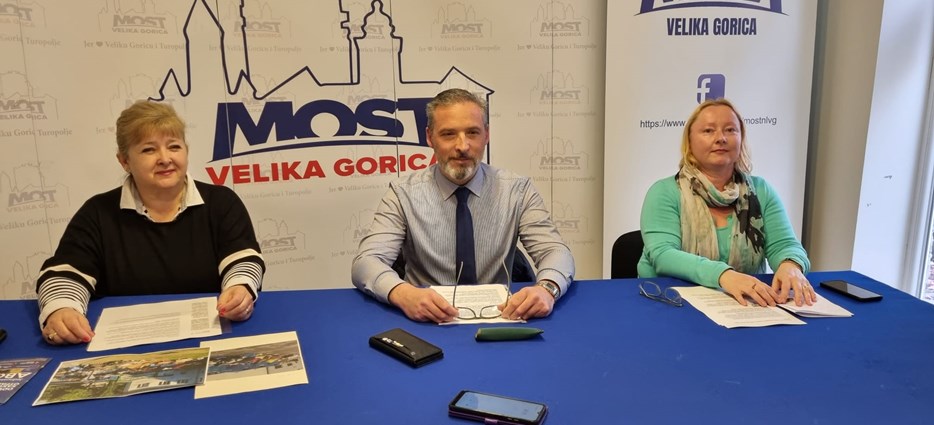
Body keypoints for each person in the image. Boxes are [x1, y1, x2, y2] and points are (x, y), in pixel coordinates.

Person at [36, 100, 265, 345]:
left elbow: (242, 258)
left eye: (174, 147)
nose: (165, 159)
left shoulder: (221, 202)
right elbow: (66, 273)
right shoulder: (98, 212)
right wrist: (62, 310)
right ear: (124, 161)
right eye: (149, 150)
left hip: (211, 337)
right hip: (125, 347)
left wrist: (240, 288)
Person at [351, 88, 575, 323]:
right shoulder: (402, 193)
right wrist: (403, 294)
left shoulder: (518, 191)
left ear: (486, 135)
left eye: (472, 133)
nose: (463, 146)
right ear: (430, 138)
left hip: (500, 317)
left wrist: (547, 288)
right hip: (427, 322)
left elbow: (555, 251)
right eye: (448, 134)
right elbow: (367, 261)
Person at [638, 98, 815, 307]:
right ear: (690, 143)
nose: (721, 138)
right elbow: (663, 255)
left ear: (741, 139)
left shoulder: (761, 191)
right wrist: (724, 276)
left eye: (730, 130)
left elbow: (785, 245)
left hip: (742, 306)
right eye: (708, 131)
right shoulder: (664, 191)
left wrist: (790, 265)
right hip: (669, 301)